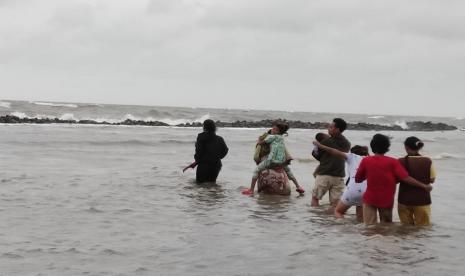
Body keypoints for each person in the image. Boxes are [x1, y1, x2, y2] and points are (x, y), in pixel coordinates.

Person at [355, 134, 433, 225]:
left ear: (372, 146)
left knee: (369, 227)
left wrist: (370, 173)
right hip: (386, 199)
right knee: (387, 227)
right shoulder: (393, 162)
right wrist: (424, 186)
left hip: (370, 198)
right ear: (387, 148)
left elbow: (358, 179)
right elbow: (406, 178)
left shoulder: (366, 160)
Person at [313, 141, 369, 221]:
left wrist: (320, 145)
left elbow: (333, 151)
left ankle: (342, 228)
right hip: (367, 190)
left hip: (354, 188)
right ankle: (359, 231)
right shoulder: (369, 159)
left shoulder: (352, 156)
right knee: (360, 216)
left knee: (338, 211)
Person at [243, 122, 304, 195]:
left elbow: (260, 144)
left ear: (278, 131)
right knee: (288, 171)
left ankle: (251, 190)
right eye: (272, 128)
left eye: (274, 129)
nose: (272, 130)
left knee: (256, 170)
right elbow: (285, 151)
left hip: (271, 161)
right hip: (281, 162)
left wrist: (259, 139)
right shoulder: (281, 138)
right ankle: (298, 186)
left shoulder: (271, 137)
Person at [311, 118, 351, 207]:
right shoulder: (347, 143)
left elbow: (316, 155)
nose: (328, 129)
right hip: (339, 176)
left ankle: (314, 218)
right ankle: (332, 220)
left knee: (315, 198)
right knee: (335, 203)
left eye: (331, 127)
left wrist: (317, 147)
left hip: (324, 174)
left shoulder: (327, 141)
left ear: (337, 129)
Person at [398, 136, 436, 226]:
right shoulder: (428, 161)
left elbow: (397, 179)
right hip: (422, 200)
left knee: (406, 228)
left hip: (404, 200)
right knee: (423, 228)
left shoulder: (400, 161)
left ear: (406, 147)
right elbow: (432, 179)